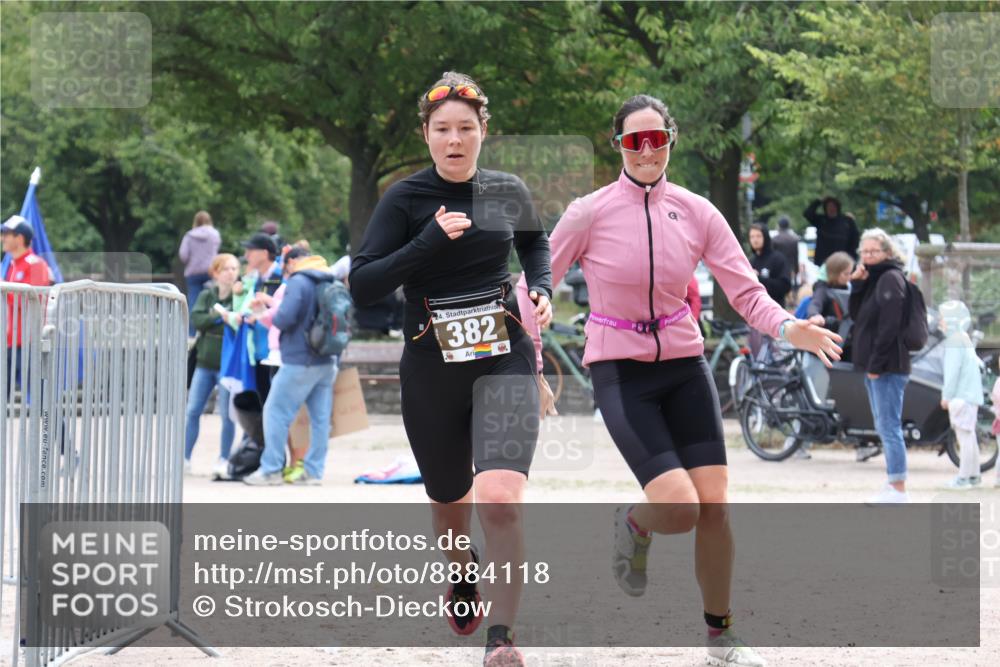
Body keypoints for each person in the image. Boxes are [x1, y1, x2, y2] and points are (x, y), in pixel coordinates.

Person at [517, 94, 842, 667]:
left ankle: (721, 637)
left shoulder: (698, 211)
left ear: (671, 139)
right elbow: (533, 287)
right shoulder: (587, 212)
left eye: (657, 139)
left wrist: (792, 328)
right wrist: (535, 362)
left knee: (714, 506)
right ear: (618, 144)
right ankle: (635, 522)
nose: (647, 151)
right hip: (620, 369)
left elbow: (746, 293)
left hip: (685, 366)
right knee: (681, 507)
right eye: (634, 141)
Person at [349, 72, 553, 667]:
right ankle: (463, 574)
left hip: (503, 355)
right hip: (431, 366)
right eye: (443, 130)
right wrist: (427, 244)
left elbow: (535, 244)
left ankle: (503, 638)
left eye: (466, 128)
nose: (455, 140)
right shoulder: (406, 198)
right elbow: (362, 283)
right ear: (427, 134)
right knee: (450, 503)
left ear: (484, 131)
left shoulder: (507, 188)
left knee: (500, 500)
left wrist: (538, 287)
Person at [244, 250, 339, 487]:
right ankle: (314, 472)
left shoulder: (298, 281)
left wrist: (267, 312)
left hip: (299, 358)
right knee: (320, 419)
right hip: (327, 360)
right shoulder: (330, 279)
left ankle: (271, 469)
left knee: (274, 411)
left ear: (296, 263)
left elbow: (284, 318)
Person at [849, 229, 911, 504]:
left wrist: (875, 364)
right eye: (864, 251)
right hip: (876, 365)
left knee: (889, 426)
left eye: (874, 251)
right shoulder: (874, 279)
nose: (868, 256)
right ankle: (892, 483)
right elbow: (857, 317)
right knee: (884, 425)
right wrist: (858, 286)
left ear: (887, 252)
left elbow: (889, 326)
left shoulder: (890, 278)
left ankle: (898, 487)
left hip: (888, 365)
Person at [251, 245, 313, 483]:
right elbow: (276, 322)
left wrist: (265, 307)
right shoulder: (298, 286)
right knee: (290, 414)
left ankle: (296, 463)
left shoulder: (293, 287)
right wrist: (262, 313)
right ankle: (294, 462)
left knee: (288, 413)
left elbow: (284, 318)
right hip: (280, 354)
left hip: (288, 355)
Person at [185, 254, 240, 477]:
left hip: (227, 366)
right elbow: (197, 320)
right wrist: (220, 318)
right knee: (192, 411)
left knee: (228, 415)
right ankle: (185, 458)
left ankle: (224, 459)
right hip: (204, 363)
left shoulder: (240, 296)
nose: (231, 273)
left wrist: (222, 318)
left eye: (235, 268)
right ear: (216, 272)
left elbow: (238, 321)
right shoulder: (207, 295)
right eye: (226, 268)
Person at [3, 215, 53, 393]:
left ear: (20, 238)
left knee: (42, 398)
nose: (2, 238)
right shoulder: (12, 265)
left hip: (30, 342)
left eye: (6, 233)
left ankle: (53, 423)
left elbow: (33, 299)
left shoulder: (35, 264)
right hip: (12, 341)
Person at [938, 300, 984, 489]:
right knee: (970, 436)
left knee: (963, 438)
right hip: (971, 396)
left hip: (960, 397)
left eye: (942, 318)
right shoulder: (964, 338)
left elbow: (952, 372)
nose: (940, 322)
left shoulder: (954, 341)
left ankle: (963, 477)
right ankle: (974, 475)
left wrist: (946, 396)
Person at [179, 211, 221, 336]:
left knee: (193, 301)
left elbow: (183, 255)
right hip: (211, 271)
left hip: (193, 272)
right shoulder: (215, 234)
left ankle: (191, 333)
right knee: (213, 298)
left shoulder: (189, 236)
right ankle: (211, 329)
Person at [807, 251, 854, 343]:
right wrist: (814, 315)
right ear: (835, 273)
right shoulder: (822, 289)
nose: (849, 277)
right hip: (827, 343)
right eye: (846, 274)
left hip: (845, 343)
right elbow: (815, 303)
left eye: (850, 273)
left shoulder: (849, 287)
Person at [803, 196, 860, 267]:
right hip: (824, 261)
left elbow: (855, 238)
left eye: (833, 206)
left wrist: (852, 256)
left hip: (843, 260)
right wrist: (818, 201)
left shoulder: (847, 221)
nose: (831, 208)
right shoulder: (820, 220)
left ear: (837, 207)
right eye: (828, 206)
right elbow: (807, 214)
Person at [748, 223, 790, 305]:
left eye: (758, 236)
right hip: (756, 311)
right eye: (752, 237)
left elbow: (785, 286)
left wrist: (758, 278)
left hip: (775, 309)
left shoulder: (778, 259)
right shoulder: (751, 261)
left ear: (765, 237)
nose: (755, 240)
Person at [771, 216, 800, 297]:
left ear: (779, 225)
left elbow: (772, 256)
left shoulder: (774, 239)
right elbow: (796, 256)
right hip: (790, 268)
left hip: (777, 268)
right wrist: (796, 270)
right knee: (789, 287)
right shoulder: (794, 239)